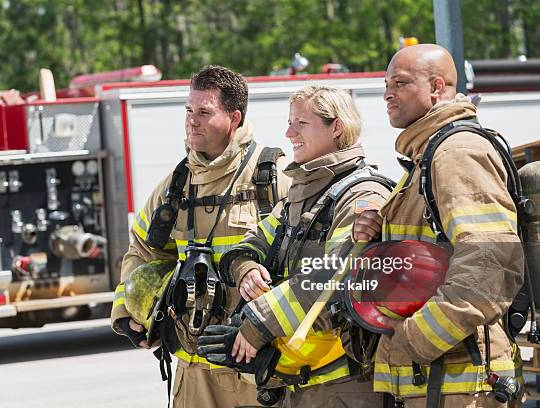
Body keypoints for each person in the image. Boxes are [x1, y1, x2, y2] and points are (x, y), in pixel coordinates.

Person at [353, 44, 525, 407]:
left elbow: (492, 265)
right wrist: (379, 229)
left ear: (435, 88)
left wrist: (416, 338)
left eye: (399, 83)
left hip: (458, 383)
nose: (387, 93)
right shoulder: (426, 156)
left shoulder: (456, 153)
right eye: (386, 83)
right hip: (434, 382)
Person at [110, 65, 291, 407]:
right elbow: (143, 251)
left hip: (257, 365)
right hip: (193, 371)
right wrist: (128, 311)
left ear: (234, 118)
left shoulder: (272, 179)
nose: (192, 121)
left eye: (205, 112)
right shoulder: (175, 185)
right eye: (189, 111)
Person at [206, 85, 393, 407]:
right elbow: (248, 245)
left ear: (336, 127)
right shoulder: (302, 194)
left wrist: (258, 325)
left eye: (301, 123)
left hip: (343, 386)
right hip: (299, 381)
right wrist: (246, 268)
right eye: (290, 122)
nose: (288, 132)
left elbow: (336, 279)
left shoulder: (362, 196)